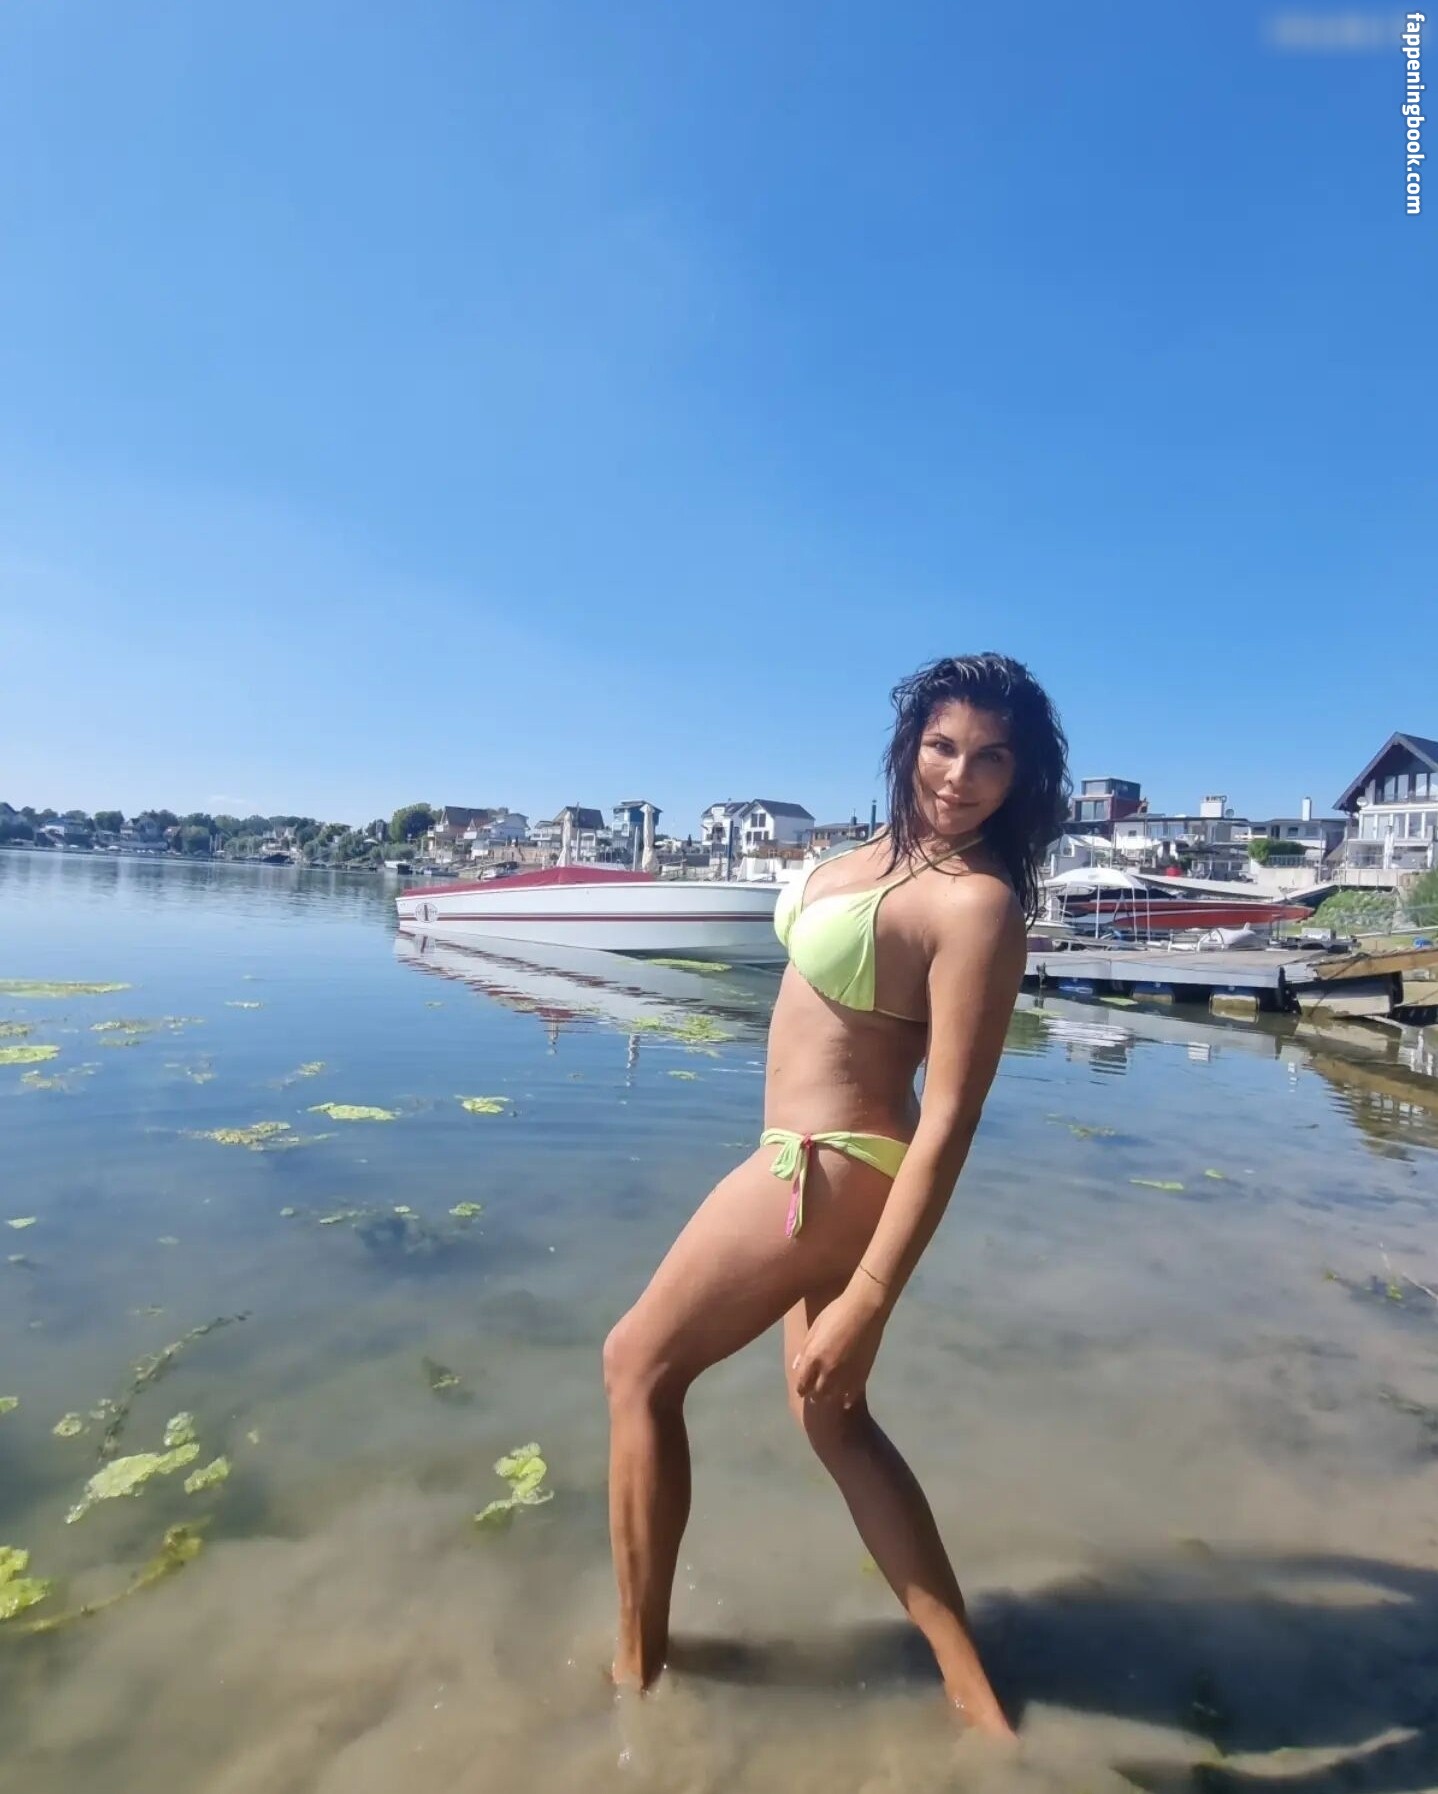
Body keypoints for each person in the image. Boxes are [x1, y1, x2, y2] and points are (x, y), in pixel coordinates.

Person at [603, 653, 1070, 1735]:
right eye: (943, 746)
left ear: (1022, 777)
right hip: (808, 1161)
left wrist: (868, 1298)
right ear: (910, 743)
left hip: (829, 1166)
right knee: (835, 1423)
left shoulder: (977, 905)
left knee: (635, 1366)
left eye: (992, 759)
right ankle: (979, 1708)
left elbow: (949, 1118)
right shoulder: (869, 858)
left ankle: (636, 1678)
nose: (959, 776)